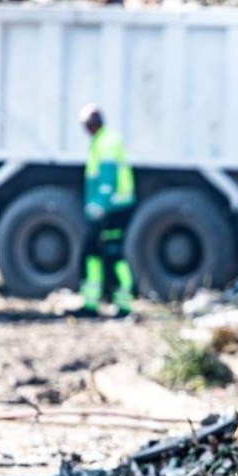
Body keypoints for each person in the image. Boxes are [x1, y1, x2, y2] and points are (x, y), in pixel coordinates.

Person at [77, 103, 135, 318]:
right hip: (110, 209)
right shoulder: (101, 140)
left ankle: (121, 303)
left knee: (112, 254)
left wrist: (99, 206)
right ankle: (94, 301)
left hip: (113, 209)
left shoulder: (106, 142)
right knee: (96, 253)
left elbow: (107, 180)